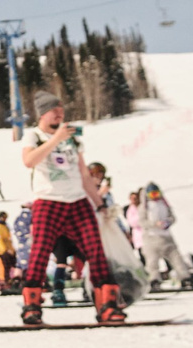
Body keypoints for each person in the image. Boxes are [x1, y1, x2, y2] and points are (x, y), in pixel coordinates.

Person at [17, 91, 125, 324]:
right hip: (48, 200)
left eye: (61, 111)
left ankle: (107, 303)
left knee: (95, 251)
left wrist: (100, 204)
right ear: (43, 114)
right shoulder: (33, 136)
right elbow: (29, 161)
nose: (60, 114)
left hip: (77, 202)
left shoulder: (73, 139)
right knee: (40, 253)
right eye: (55, 111)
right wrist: (55, 139)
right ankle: (32, 305)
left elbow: (84, 175)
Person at [135, 184, 193, 289]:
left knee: (177, 259)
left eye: (156, 193)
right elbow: (142, 222)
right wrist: (154, 224)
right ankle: (154, 280)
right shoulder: (144, 207)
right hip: (151, 239)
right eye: (152, 194)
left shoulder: (164, 204)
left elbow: (172, 217)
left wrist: (168, 222)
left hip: (166, 238)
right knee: (152, 262)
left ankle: (185, 277)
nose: (155, 196)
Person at [0, 210, 16, 286]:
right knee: (7, 266)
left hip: (9, 249)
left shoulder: (5, 226)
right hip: (3, 251)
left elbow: (9, 239)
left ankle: (13, 279)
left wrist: (12, 249)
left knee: (13, 265)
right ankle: (7, 281)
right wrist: (5, 250)